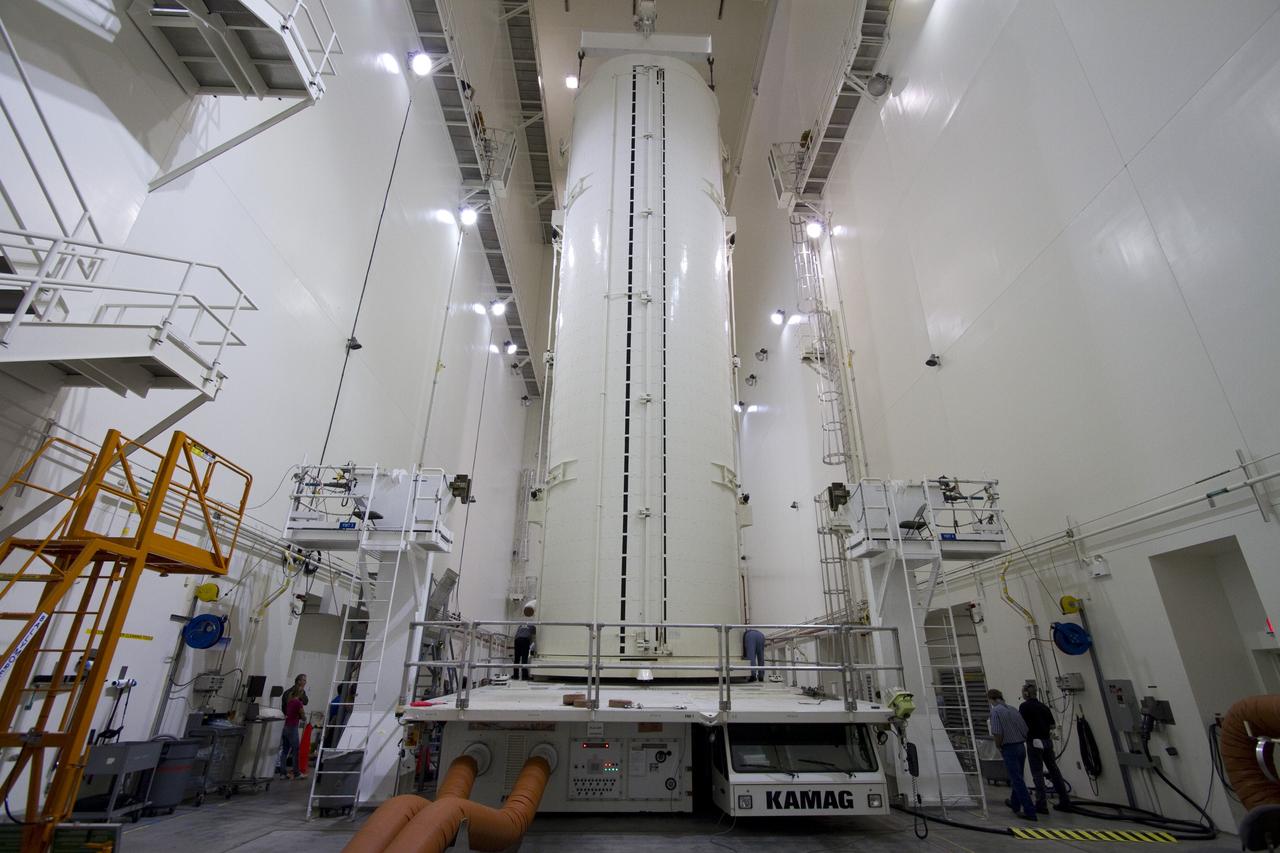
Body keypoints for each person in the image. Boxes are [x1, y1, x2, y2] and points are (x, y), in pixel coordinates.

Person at [1020, 684, 1072, 813]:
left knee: (1037, 773)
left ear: (1026, 693)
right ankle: (1065, 800)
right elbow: (1052, 726)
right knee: (1054, 770)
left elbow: (1021, 725)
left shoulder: (1024, 707)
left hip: (1034, 742)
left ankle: (1041, 804)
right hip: (1047, 742)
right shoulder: (1044, 707)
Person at [988, 688, 1036, 821]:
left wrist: (998, 746)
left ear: (991, 699)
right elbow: (1025, 729)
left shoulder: (995, 712)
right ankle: (1015, 804)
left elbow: (997, 732)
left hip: (1009, 748)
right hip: (1021, 746)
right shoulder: (1013, 709)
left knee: (1017, 779)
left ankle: (1029, 811)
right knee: (1018, 777)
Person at [278, 692, 306, 778]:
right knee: (295, 750)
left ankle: (282, 773)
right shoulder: (298, 702)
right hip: (293, 728)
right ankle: (296, 773)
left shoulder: (289, 702)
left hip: (286, 727)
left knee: (285, 750)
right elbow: (303, 716)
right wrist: (302, 717)